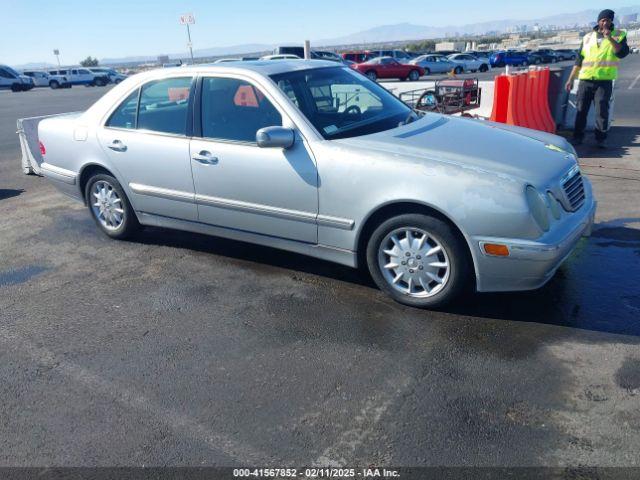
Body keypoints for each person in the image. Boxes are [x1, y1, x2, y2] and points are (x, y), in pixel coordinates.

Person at [564, 9, 630, 148]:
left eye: (608, 20)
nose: (605, 22)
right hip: (585, 80)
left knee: (602, 111)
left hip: (604, 81)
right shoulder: (587, 37)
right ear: (598, 21)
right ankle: (578, 137)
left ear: (612, 21)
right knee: (581, 110)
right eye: (603, 19)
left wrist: (610, 38)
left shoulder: (619, 35)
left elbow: (622, 53)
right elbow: (579, 60)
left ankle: (601, 139)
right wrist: (570, 79)